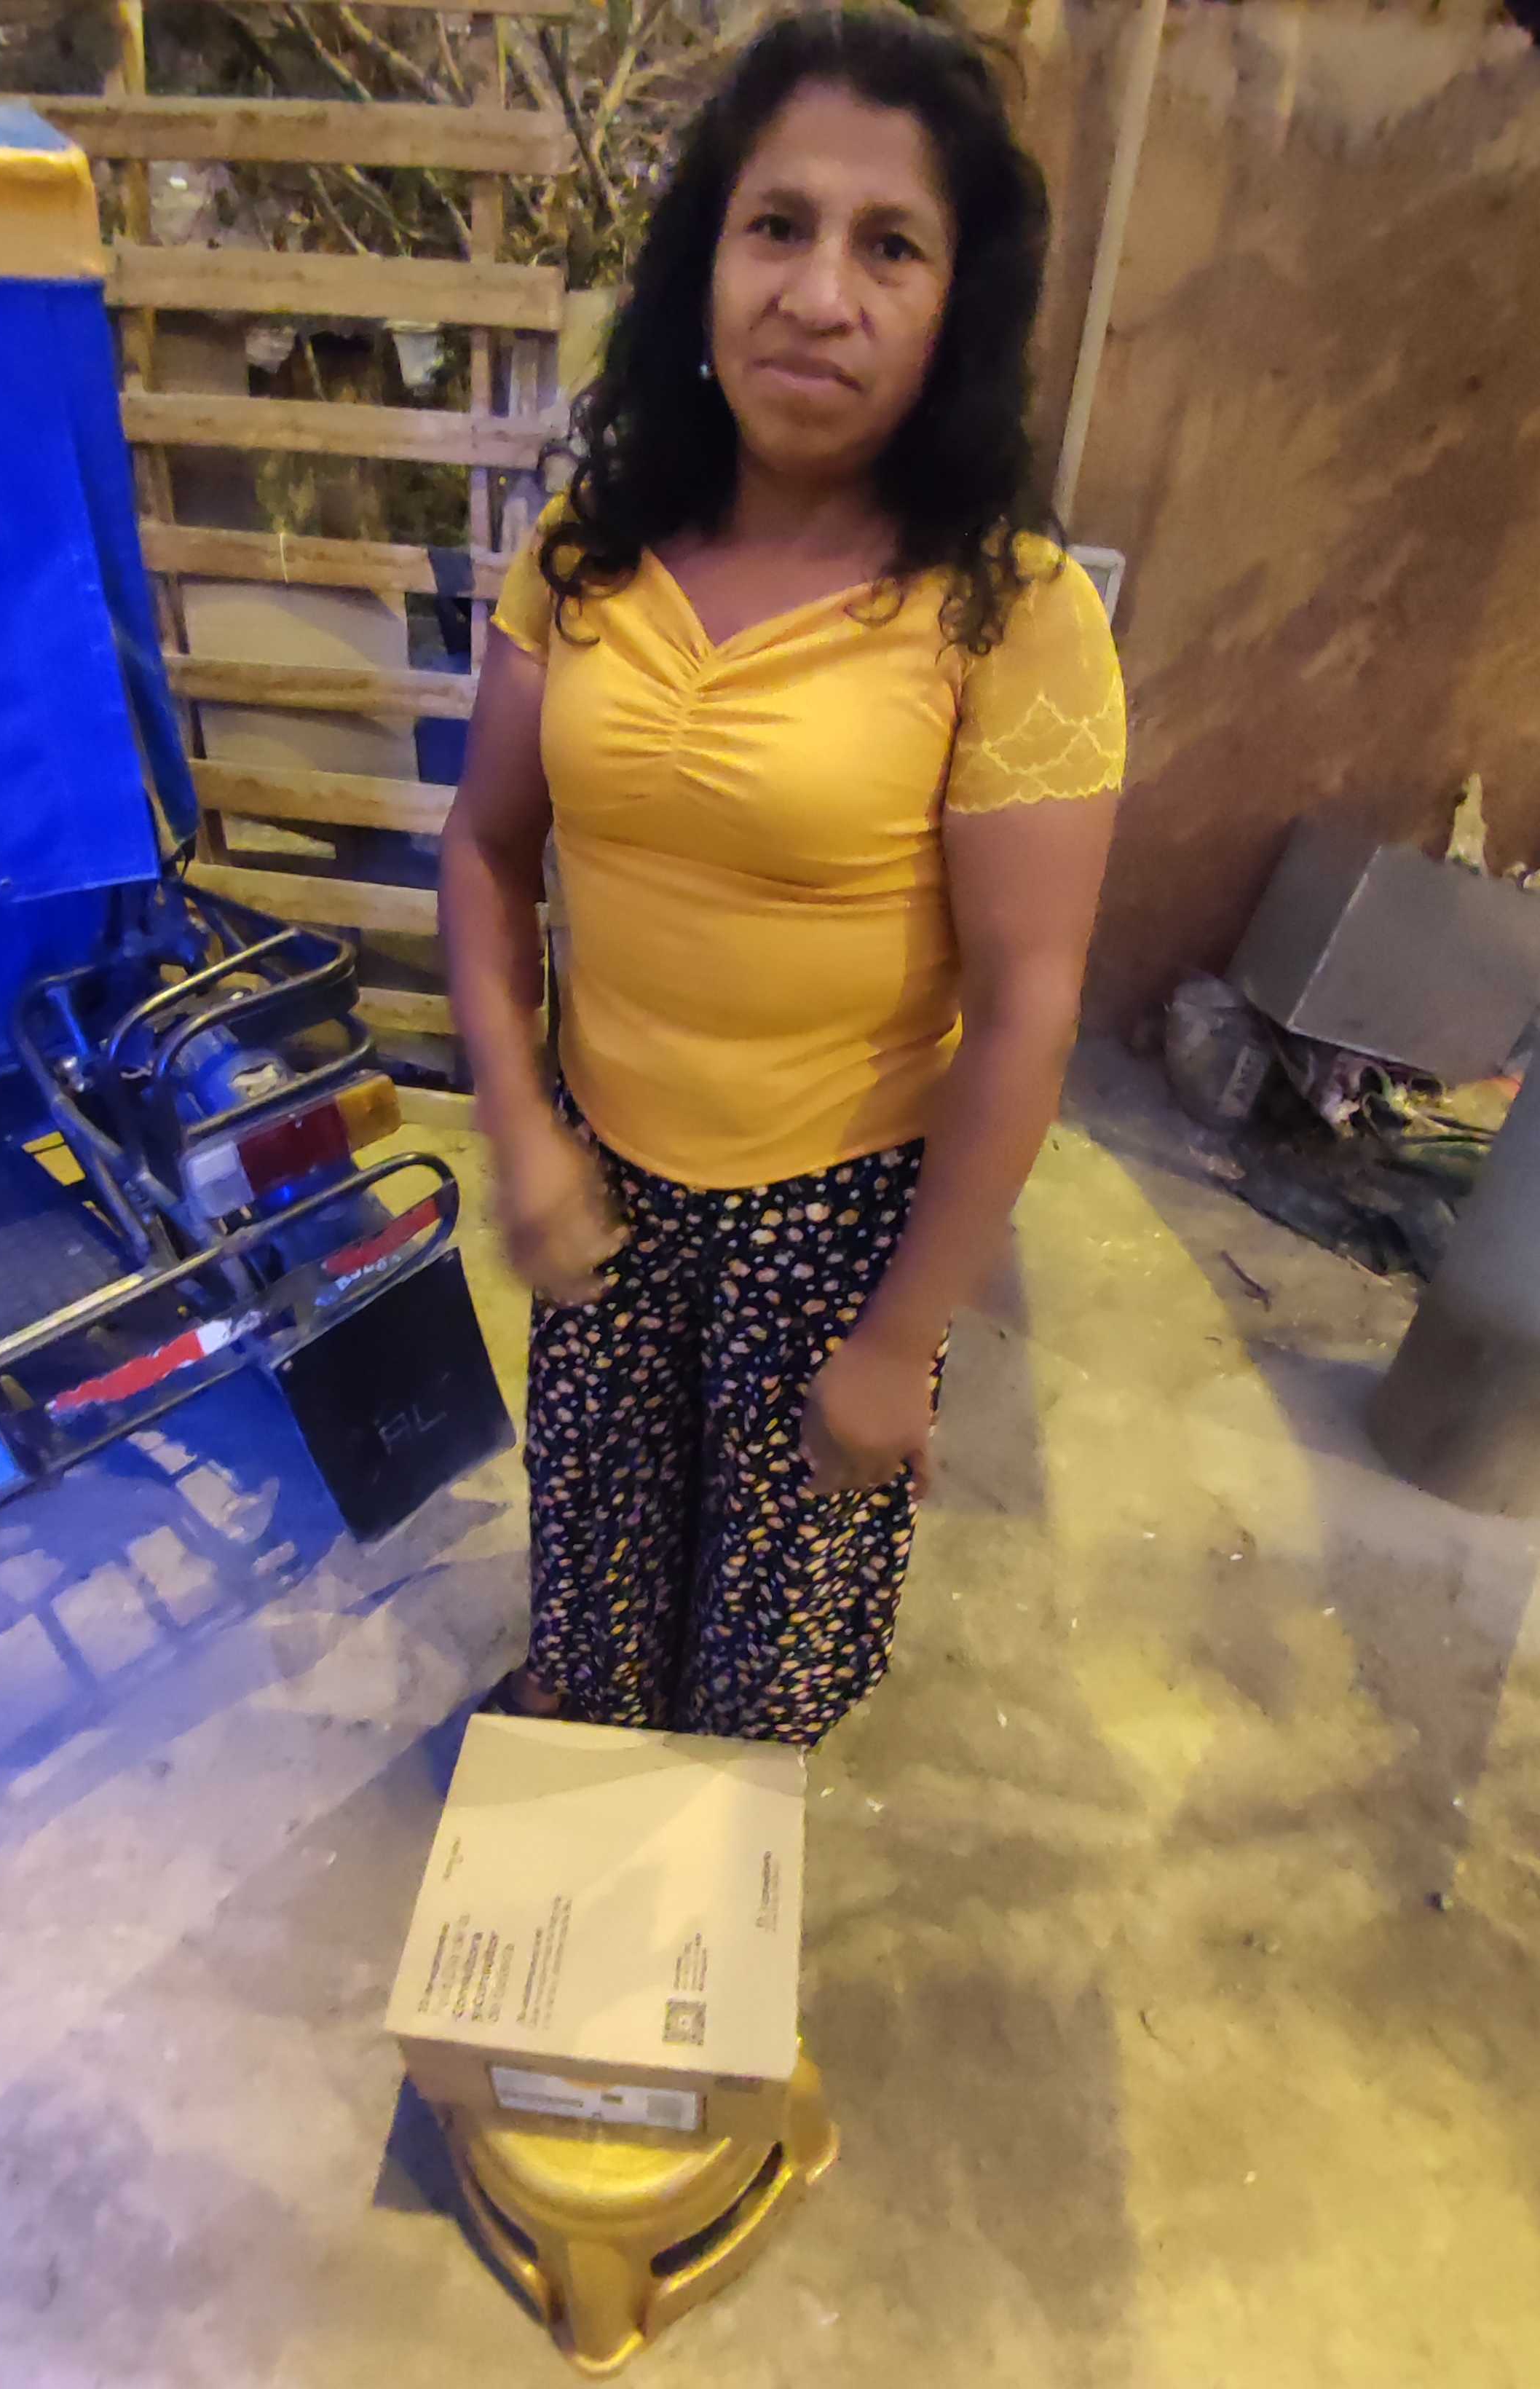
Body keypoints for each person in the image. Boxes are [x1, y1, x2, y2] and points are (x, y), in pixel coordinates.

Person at [441, 4, 1126, 1747]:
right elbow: (485, 846)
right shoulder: (585, 551)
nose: (818, 294)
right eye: (776, 225)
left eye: (888, 246)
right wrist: (519, 1128)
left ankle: (703, 1890)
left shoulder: (1010, 611)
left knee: (759, 1671)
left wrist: (899, 1338)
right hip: (603, 1177)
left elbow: (1027, 1006)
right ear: (702, 265)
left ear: (957, 307)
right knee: (590, 1595)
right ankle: (573, 1794)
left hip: (834, 1229)